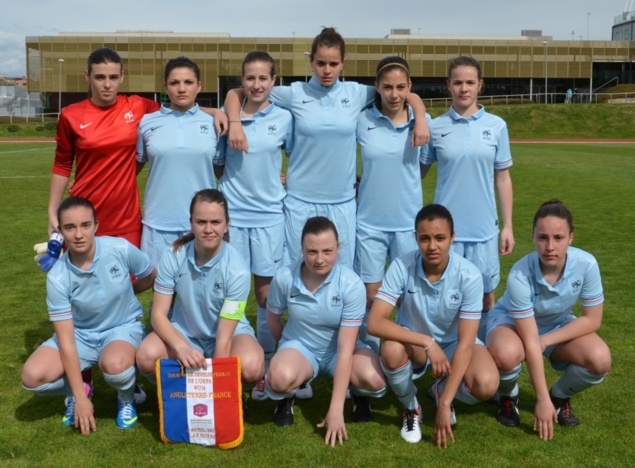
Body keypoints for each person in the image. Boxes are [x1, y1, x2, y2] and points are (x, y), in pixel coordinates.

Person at [225, 27, 430, 271]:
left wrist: (420, 118)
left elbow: (404, 92)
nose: (327, 70)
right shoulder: (294, 93)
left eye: (333, 63)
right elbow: (237, 92)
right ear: (311, 61)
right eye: (320, 63)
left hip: (342, 202)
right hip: (299, 201)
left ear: (343, 62)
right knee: (294, 272)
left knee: (342, 276)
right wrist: (235, 124)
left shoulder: (356, 92)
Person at [367, 204, 499, 447]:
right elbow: (374, 323)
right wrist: (427, 342)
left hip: (455, 344)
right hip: (415, 343)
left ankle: (439, 392)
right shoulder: (401, 265)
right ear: (415, 238)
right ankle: (411, 408)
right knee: (391, 349)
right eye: (424, 238)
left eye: (440, 238)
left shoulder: (469, 275)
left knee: (487, 384)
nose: (432, 246)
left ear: (452, 238)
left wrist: (446, 402)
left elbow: (467, 344)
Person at [21, 197, 156, 433]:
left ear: (96, 225)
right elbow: (66, 341)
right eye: (70, 227)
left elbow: (151, 276)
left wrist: (126, 292)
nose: (79, 234)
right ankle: (82, 389)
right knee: (32, 377)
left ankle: (126, 398)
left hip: (123, 328)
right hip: (82, 335)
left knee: (115, 366)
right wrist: (79, 397)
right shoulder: (57, 276)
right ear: (60, 232)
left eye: (85, 225)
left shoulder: (120, 248)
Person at [486, 199, 610, 440]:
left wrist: (546, 341)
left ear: (571, 237)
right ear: (533, 237)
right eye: (542, 237)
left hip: (555, 325)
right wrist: (539, 400)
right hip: (510, 323)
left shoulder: (586, 264)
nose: (550, 246)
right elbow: (530, 338)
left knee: (600, 359)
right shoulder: (520, 274)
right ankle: (509, 395)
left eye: (558, 238)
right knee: (507, 353)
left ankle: (559, 396)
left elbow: (592, 320)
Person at [214, 51, 294, 402]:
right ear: (242, 81)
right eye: (250, 78)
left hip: (270, 218)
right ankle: (223, 355)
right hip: (233, 219)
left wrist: (285, 179)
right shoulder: (228, 117)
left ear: (273, 81)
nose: (257, 84)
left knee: (264, 294)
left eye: (263, 78)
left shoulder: (285, 118)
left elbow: (299, 157)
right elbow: (218, 166)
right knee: (231, 291)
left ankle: (266, 364)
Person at [135, 189, 264, 407]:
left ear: (226, 225)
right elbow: (158, 315)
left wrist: (219, 396)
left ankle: (230, 395)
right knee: (146, 357)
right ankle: (181, 394)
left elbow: (223, 338)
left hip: (227, 336)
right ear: (191, 223)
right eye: (201, 221)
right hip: (184, 333)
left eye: (215, 222)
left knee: (251, 367)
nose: (208, 229)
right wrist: (181, 347)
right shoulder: (173, 255)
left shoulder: (238, 270)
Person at [265, 217, 387, 446]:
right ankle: (288, 395)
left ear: (339, 249)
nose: (320, 259)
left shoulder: (351, 284)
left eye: (327, 251)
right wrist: (287, 350)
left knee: (375, 379)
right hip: (300, 347)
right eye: (312, 252)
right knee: (279, 377)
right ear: (301, 249)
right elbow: (272, 317)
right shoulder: (284, 277)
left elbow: (345, 349)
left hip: (340, 351)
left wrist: (335, 409)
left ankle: (357, 395)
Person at [421, 56, 514, 340]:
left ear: (480, 85)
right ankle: (446, 363)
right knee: (444, 300)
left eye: (470, 82)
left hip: (484, 230)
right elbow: (416, 174)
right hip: (445, 234)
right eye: (458, 82)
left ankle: (481, 362)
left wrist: (507, 226)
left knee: (486, 300)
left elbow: (502, 177)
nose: (464, 88)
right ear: (448, 85)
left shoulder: (497, 126)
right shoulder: (435, 127)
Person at [355, 56, 429, 352]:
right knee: (371, 297)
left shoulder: (422, 124)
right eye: (387, 87)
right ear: (377, 87)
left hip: (408, 225)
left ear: (409, 87)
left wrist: (420, 116)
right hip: (370, 224)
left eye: (401, 87)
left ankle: (406, 356)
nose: (394, 94)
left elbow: (425, 165)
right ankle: (369, 356)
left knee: (408, 296)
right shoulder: (363, 120)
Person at [136, 56, 219, 267]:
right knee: (162, 293)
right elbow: (131, 170)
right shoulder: (147, 122)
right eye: (174, 83)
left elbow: (226, 171)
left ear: (198, 86)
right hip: (158, 224)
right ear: (165, 86)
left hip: (201, 225)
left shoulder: (215, 123)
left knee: (199, 293)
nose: (181, 89)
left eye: (188, 82)